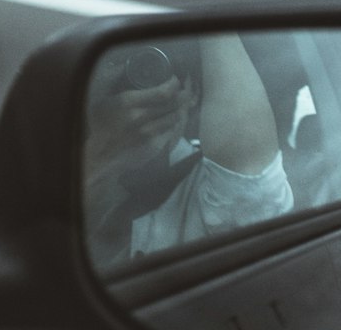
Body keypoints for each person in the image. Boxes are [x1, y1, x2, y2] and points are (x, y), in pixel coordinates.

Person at [84, 33, 294, 272]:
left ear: (193, 93)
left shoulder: (212, 186)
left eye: (157, 70)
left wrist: (214, 27)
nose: (138, 84)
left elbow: (252, 191)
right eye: (117, 65)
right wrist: (99, 158)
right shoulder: (57, 165)